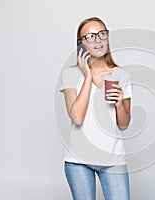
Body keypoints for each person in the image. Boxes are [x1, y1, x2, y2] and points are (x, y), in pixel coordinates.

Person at [59, 17, 132, 200]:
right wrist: (88, 77)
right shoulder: (70, 74)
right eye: (90, 36)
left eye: (101, 34)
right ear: (81, 44)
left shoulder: (121, 75)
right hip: (78, 162)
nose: (98, 40)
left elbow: (124, 125)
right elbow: (77, 117)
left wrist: (119, 104)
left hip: (112, 160)